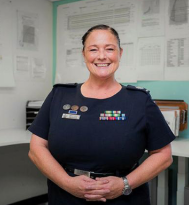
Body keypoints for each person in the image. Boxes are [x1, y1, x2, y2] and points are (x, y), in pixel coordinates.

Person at [28, 24, 175, 204]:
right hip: (65, 196)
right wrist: (67, 183)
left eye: (110, 49)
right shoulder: (60, 95)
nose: (102, 56)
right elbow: (36, 148)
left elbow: (163, 155)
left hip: (123, 198)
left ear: (120, 53)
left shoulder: (139, 100)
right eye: (93, 49)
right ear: (84, 54)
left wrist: (124, 184)